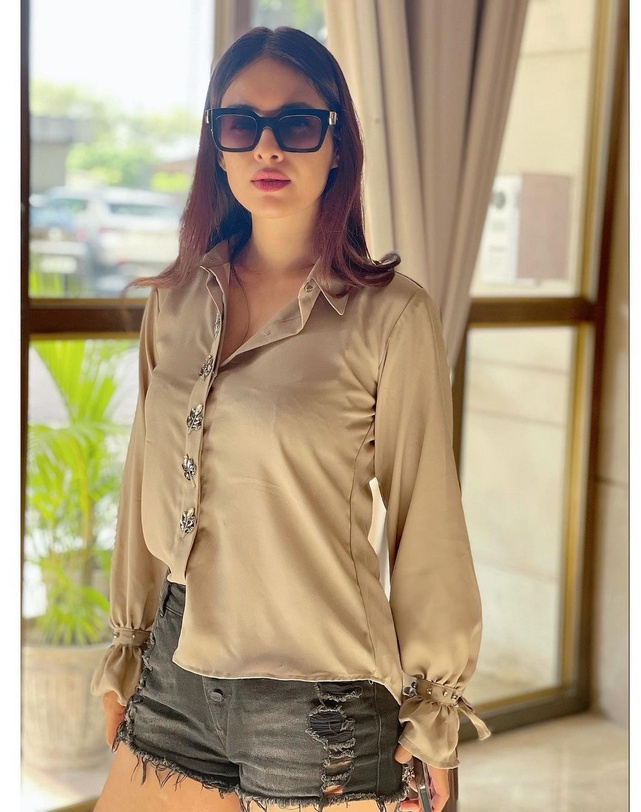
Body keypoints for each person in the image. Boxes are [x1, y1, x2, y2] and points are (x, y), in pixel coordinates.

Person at [91, 25, 489, 812]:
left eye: (297, 123)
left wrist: (433, 706)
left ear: (337, 145)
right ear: (217, 146)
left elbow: (426, 516)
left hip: (320, 695)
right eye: (241, 124)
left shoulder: (390, 315)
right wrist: (128, 645)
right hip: (174, 667)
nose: (267, 147)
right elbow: (145, 481)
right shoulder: (176, 302)